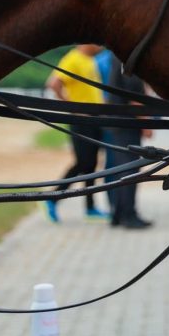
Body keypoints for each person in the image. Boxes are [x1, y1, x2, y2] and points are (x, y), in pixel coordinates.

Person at [44, 44, 109, 223]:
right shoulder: (72, 59)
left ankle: (90, 206)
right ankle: (52, 197)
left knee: (91, 164)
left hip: (94, 118)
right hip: (81, 120)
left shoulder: (90, 60)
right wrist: (73, 108)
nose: (100, 46)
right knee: (83, 162)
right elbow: (54, 84)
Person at [102, 50, 152, 229]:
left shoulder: (119, 56)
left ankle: (118, 213)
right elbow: (134, 98)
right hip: (127, 124)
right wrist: (146, 124)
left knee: (119, 169)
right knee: (129, 170)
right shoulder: (128, 58)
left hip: (118, 122)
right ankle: (128, 215)